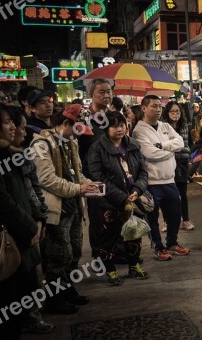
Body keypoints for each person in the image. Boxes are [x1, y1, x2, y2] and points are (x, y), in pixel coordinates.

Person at [32, 104, 96, 313]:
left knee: (74, 252)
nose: (77, 135)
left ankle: (68, 291)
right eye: (76, 129)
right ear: (65, 124)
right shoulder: (42, 145)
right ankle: (54, 300)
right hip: (57, 208)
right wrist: (79, 188)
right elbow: (46, 179)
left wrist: (89, 185)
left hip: (74, 206)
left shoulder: (71, 143)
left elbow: (77, 172)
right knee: (58, 256)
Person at [0, 103, 44, 339]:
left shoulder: (11, 155)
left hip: (20, 238)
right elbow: (2, 201)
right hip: (5, 240)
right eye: (6, 122)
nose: (13, 126)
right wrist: (30, 227)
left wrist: (36, 220)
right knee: (7, 306)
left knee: (19, 302)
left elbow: (27, 193)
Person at [87, 111, 150, 285]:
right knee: (109, 237)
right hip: (109, 202)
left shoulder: (133, 145)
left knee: (134, 234)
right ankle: (111, 270)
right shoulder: (97, 148)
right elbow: (97, 177)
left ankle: (134, 266)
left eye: (122, 125)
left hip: (133, 198)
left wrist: (137, 189)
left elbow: (143, 172)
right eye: (114, 126)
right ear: (106, 128)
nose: (119, 129)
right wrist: (123, 198)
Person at [133, 95, 191, 260]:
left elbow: (180, 143)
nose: (158, 109)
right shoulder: (139, 130)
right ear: (144, 108)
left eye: (160, 106)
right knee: (152, 218)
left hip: (169, 179)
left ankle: (172, 243)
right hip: (151, 182)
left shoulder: (166, 126)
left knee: (174, 214)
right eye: (154, 106)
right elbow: (150, 153)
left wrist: (164, 146)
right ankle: (158, 247)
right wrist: (171, 150)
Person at [161, 102, 195, 231]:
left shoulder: (185, 126)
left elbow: (191, 143)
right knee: (167, 194)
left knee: (182, 194)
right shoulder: (162, 127)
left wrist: (187, 154)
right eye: (172, 111)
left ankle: (185, 220)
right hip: (167, 164)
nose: (175, 114)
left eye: (178, 112)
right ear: (167, 113)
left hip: (182, 165)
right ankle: (166, 221)